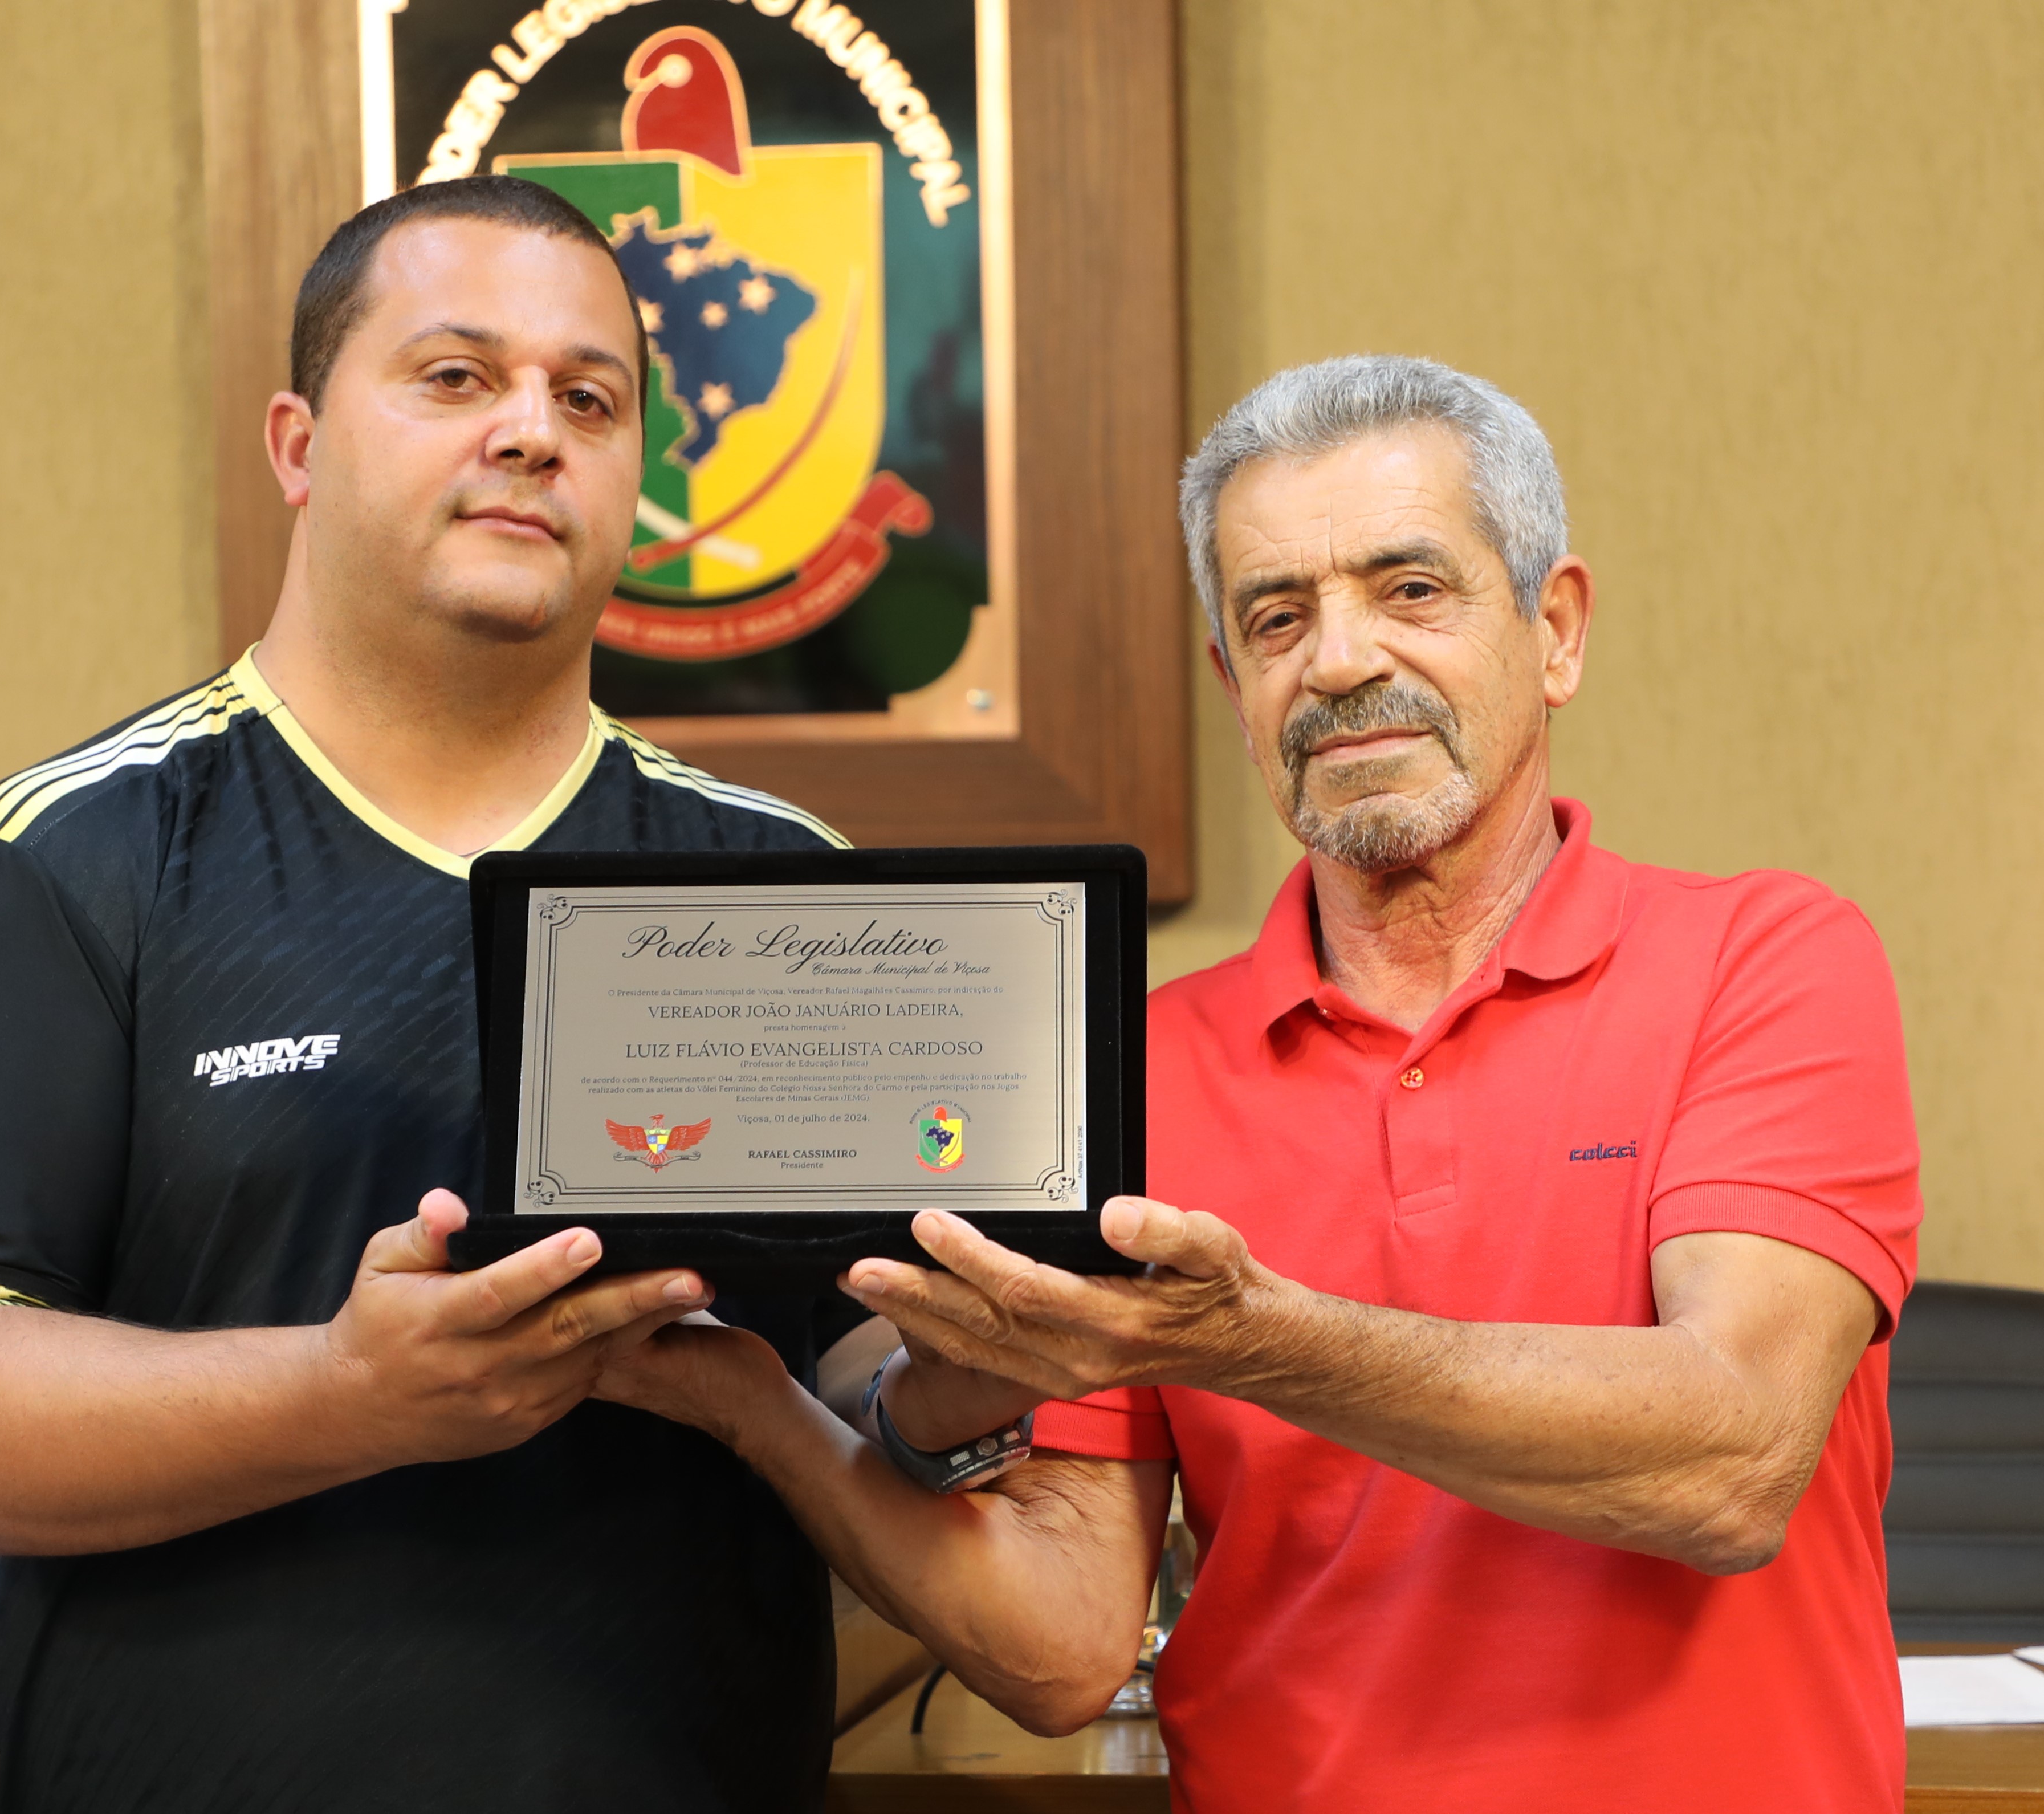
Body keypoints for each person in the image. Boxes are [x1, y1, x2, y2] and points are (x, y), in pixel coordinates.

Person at [600, 355, 1920, 1812]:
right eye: (1274, 616)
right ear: (1234, 684)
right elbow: (1058, 1651)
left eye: (1409, 590)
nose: (1339, 660)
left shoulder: (1765, 958)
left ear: (1554, 631)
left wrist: (1246, 1341)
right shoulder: (1134, 1065)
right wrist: (755, 1404)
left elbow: (1727, 1463)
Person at [0, 175, 898, 1812]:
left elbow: (874, 1376)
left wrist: (985, 1370)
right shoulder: (57, 865)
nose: (533, 430)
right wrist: (355, 1394)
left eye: (588, 399)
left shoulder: (793, 887)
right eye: (457, 376)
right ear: (299, 444)